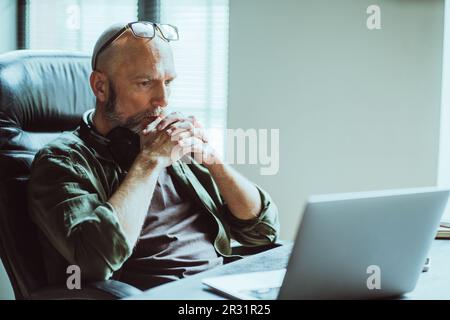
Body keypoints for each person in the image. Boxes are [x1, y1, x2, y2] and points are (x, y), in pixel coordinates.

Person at [28, 21, 279, 290]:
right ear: (100, 87)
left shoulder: (171, 144)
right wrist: (149, 162)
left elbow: (262, 231)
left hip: (214, 288)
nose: (163, 100)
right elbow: (95, 260)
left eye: (168, 82)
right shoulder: (61, 162)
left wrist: (212, 160)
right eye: (145, 83)